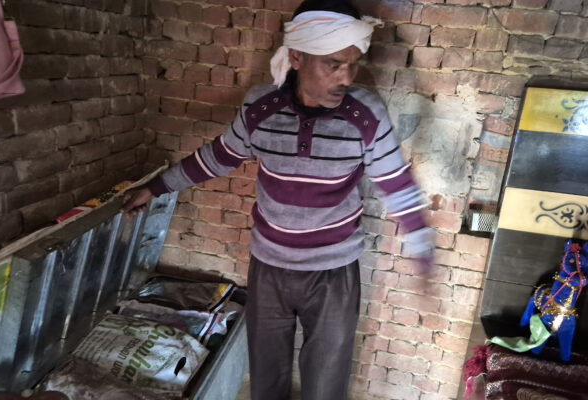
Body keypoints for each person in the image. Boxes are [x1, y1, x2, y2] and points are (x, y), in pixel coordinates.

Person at [122, 1, 434, 399]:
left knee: (326, 385)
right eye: (333, 64)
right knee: (267, 380)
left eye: (352, 65)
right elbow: (218, 157)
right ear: (298, 57)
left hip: (333, 273)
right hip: (269, 268)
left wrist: (422, 245)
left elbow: (396, 183)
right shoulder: (261, 108)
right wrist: (155, 187)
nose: (345, 77)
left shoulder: (365, 115)